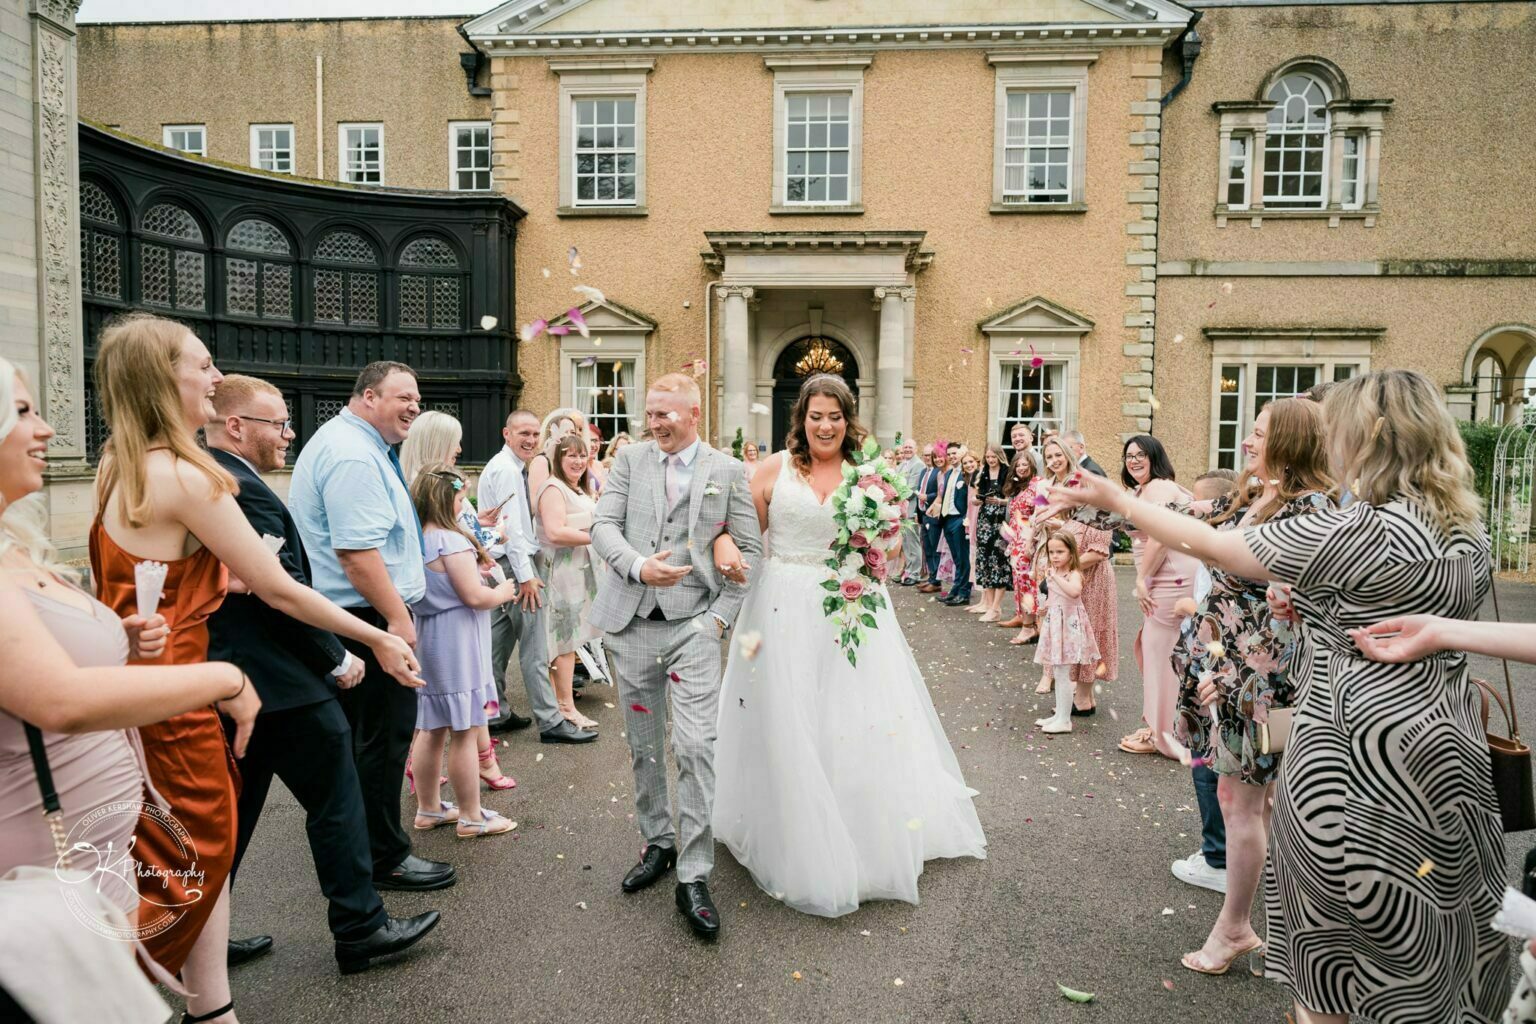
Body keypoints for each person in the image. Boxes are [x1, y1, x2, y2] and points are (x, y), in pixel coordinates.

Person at [1053, 370, 1502, 1023]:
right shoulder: (1464, 528)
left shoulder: (1351, 528)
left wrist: (1118, 502)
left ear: (1366, 437)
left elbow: (1210, 541)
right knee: (1431, 925)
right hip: (1445, 736)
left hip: (1352, 742)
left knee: (1337, 942)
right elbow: (1200, 520)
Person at [91, 321, 420, 1017]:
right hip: (184, 700)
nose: (215, 379)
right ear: (161, 378)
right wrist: (378, 637)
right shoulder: (187, 476)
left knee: (185, 853)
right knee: (192, 861)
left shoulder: (111, 465)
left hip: (138, 689)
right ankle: (79, 986)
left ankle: (213, 1011)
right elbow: (280, 587)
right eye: (203, 366)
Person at [0, 358, 262, 1023]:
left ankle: (213, 1010)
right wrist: (225, 677)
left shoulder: (18, 549)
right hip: (39, 872)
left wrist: (125, 638)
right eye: (25, 412)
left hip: (96, 865)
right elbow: (59, 699)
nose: (47, 429)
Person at [712, 374, 986, 917]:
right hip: (777, 605)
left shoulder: (870, 476)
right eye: (815, 415)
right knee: (782, 713)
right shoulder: (772, 470)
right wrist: (725, 550)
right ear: (801, 418)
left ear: (848, 418)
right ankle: (789, 821)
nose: (825, 425)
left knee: (851, 714)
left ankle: (854, 823)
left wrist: (880, 535)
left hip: (849, 606)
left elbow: (885, 547)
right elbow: (736, 533)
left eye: (834, 416)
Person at [204, 375, 440, 974]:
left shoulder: (223, 477)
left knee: (235, 809)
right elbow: (278, 590)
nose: (289, 434)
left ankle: (202, 932)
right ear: (237, 427)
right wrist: (340, 653)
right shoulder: (237, 486)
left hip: (250, 675)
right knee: (338, 789)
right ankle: (360, 928)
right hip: (274, 674)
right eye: (278, 424)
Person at [588, 373, 762, 941]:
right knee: (643, 747)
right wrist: (639, 567)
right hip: (632, 623)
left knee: (693, 745)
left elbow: (749, 552)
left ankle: (694, 872)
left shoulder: (728, 471)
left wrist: (718, 620)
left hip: (693, 624)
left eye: (666, 414)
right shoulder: (630, 461)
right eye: (650, 414)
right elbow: (602, 526)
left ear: (693, 412)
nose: (655, 423)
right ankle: (658, 841)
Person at [287, 360, 456, 898]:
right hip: (367, 618)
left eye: (417, 396)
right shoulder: (353, 455)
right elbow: (358, 557)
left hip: (365, 616)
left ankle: (373, 852)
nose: (413, 406)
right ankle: (385, 858)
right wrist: (399, 622)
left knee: (374, 741)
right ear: (366, 397)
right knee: (382, 743)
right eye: (401, 396)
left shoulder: (358, 445)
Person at [397, 410, 515, 791]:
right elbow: (465, 559)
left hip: (431, 615)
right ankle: (478, 774)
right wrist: (495, 538)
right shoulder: (443, 499)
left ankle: (458, 769)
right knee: (464, 706)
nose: (460, 448)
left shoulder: (419, 493)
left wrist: (482, 526)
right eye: (454, 442)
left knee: (443, 709)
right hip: (456, 622)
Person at [407, 465, 521, 838]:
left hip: (431, 638)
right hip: (458, 641)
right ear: (444, 501)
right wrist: (504, 592)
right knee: (466, 730)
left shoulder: (420, 537)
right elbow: (473, 597)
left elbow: (448, 582)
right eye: (459, 499)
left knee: (431, 728)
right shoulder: (450, 539)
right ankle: (472, 815)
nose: (463, 506)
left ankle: (428, 808)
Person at [477, 411, 597, 744]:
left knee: (497, 641)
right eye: (523, 434)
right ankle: (551, 721)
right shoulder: (505, 471)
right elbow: (513, 530)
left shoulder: (514, 467)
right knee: (535, 646)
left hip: (505, 566)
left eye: (534, 434)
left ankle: (495, 711)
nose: (530, 440)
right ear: (506, 433)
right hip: (516, 567)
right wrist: (527, 576)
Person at [1112, 436, 1199, 759]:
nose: (1133, 461)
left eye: (1141, 455)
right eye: (1129, 456)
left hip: (1169, 574)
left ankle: (1163, 734)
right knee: (1158, 650)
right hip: (1163, 574)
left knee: (1159, 652)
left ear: (1155, 457)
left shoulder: (1160, 487)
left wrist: (1142, 578)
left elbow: (1161, 537)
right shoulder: (1142, 490)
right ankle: (1162, 726)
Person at [1171, 467, 1237, 897]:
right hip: (1208, 664)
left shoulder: (1225, 548)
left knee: (1206, 763)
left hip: (1214, 670)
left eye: (1198, 503)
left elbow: (1223, 609)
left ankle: (1217, 857)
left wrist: (1189, 607)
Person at [1033, 436, 1116, 710]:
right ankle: (1084, 698)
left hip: (1092, 580)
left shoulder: (1098, 512)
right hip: (1076, 578)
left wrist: (1067, 569)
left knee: (1090, 634)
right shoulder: (1074, 513)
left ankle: (1082, 699)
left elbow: (1098, 551)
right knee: (1078, 635)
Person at [536, 433, 603, 731]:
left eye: (582, 455)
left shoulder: (577, 488)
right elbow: (554, 532)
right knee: (563, 643)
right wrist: (596, 536)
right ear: (558, 458)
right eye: (570, 455)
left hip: (577, 573)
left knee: (571, 641)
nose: (577, 461)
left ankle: (560, 704)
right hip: (560, 575)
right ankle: (564, 707)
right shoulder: (553, 488)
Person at [1032, 532, 1098, 735]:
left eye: (1060, 552)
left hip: (1069, 627)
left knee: (1063, 674)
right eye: (1052, 552)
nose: (1055, 556)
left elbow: (1074, 592)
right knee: (1058, 671)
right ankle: (1059, 714)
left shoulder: (1073, 573)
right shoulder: (1054, 573)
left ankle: (1065, 719)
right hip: (1055, 623)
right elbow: (1053, 598)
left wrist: (1054, 579)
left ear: (1071, 553)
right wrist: (1043, 608)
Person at [998, 452, 1042, 643]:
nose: (1021, 468)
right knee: (1019, 582)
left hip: (1029, 542)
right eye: (1018, 466)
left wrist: (1031, 540)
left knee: (1027, 583)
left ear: (1032, 465)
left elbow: (1042, 511)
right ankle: (1029, 624)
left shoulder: (1037, 485)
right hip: (1016, 541)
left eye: (1025, 465)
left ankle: (1029, 627)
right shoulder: (1018, 488)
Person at [970, 443, 1012, 621]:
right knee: (984, 559)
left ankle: (996, 608)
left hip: (1000, 521)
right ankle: (987, 603)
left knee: (999, 560)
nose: (991, 460)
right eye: (988, 457)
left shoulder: (1008, 473)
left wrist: (1001, 502)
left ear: (1000, 456)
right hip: (985, 519)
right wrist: (977, 500)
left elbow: (1014, 498)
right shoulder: (983, 473)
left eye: (993, 457)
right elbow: (975, 495)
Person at [935, 446, 973, 607]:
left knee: (963, 558)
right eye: (949, 454)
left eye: (954, 453)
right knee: (956, 558)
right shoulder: (949, 473)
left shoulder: (967, 474)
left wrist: (967, 518)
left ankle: (964, 593)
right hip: (947, 518)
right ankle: (955, 590)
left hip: (960, 518)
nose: (951, 456)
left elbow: (971, 496)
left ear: (961, 454)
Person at [915, 449, 946, 594]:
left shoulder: (939, 472)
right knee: (927, 548)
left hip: (934, 514)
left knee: (934, 548)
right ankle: (931, 577)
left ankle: (936, 581)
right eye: (926, 455)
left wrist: (928, 497)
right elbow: (918, 491)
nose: (928, 458)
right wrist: (917, 512)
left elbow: (940, 493)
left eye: (930, 455)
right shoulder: (923, 472)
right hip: (923, 513)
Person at [895, 440, 926, 585]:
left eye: (910, 447)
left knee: (913, 542)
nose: (907, 449)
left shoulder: (918, 465)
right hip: (901, 509)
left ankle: (915, 573)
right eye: (905, 447)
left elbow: (912, 489)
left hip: (911, 509)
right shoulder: (901, 465)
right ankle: (908, 570)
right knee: (906, 543)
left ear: (916, 449)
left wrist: (894, 495)